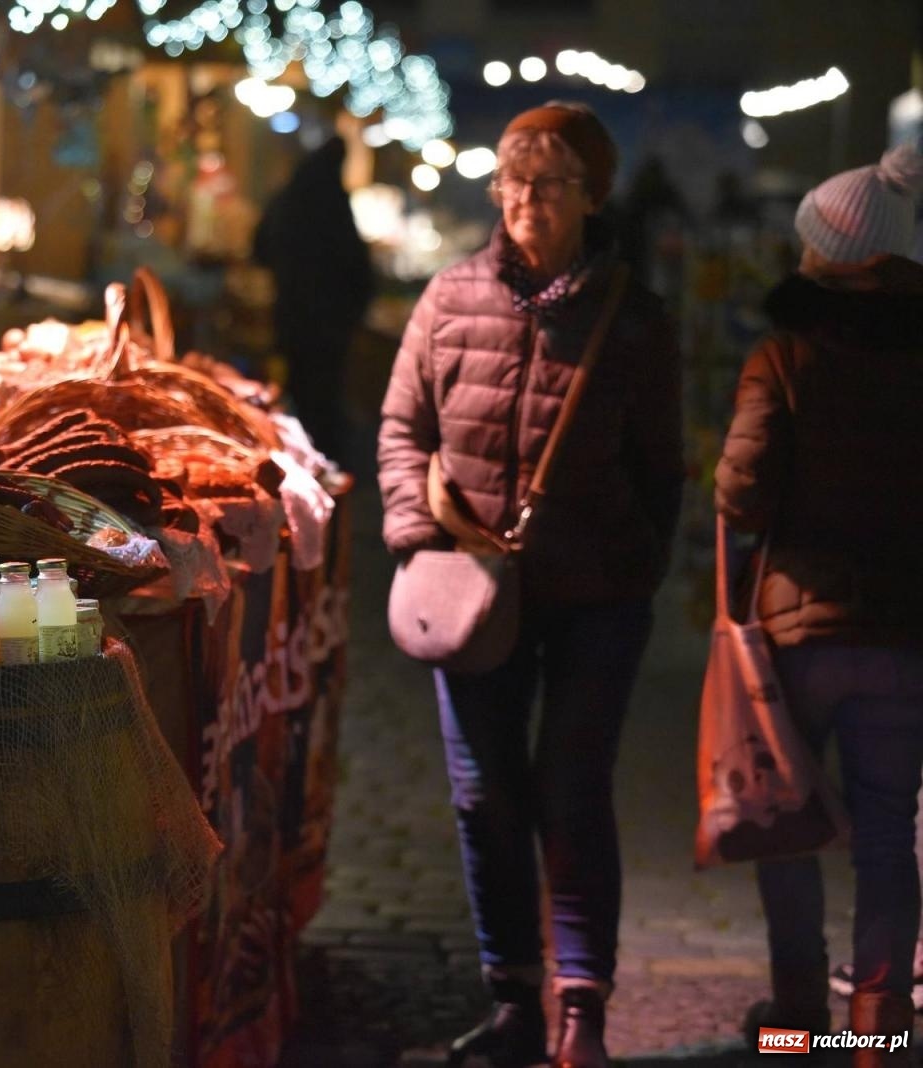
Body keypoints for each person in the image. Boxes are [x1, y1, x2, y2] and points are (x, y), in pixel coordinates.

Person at [378, 102, 683, 1068]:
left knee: (573, 790)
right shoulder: (450, 297)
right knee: (485, 796)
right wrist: (417, 536)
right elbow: (403, 429)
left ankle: (583, 1006)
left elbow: (662, 467)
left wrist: (636, 562)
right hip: (471, 585)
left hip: (597, 595)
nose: (526, 200)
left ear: (593, 197)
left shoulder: (634, 316)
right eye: (513, 181)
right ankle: (511, 998)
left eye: (550, 183)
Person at [717, 143, 923, 1064]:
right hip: (906, 630)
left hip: (800, 630)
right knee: (887, 829)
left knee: (787, 822)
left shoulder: (784, 353)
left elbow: (741, 493)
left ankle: (798, 1020)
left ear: (835, 252)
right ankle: (881, 1026)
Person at [253, 135, 373, 464]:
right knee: (324, 394)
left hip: (292, 314)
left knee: (297, 388)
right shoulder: (334, 203)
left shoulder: (288, 197)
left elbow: (259, 248)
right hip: (329, 322)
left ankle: (297, 455)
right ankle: (321, 460)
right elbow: (356, 265)